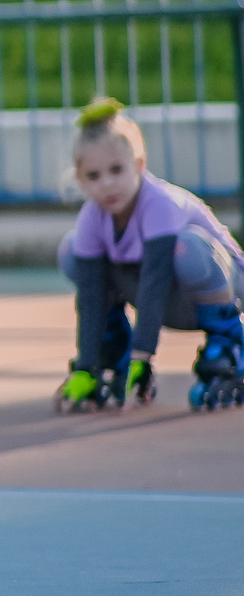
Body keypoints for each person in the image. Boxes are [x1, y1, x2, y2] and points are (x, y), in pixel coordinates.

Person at [54, 97, 244, 414]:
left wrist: (142, 358)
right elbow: (89, 297)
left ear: (140, 165)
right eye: (94, 176)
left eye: (117, 170)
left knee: (187, 246)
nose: (107, 184)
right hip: (166, 296)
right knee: (72, 251)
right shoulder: (92, 217)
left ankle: (228, 347)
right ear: (80, 179)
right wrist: (85, 367)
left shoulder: (160, 203)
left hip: (223, 288)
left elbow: (154, 283)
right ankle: (110, 349)